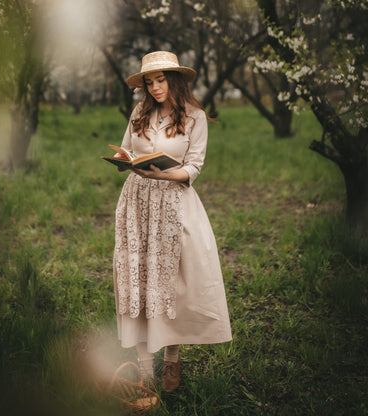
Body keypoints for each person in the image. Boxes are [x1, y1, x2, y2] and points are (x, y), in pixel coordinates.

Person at [112, 51, 232, 392]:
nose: (154, 88)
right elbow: (125, 150)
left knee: (171, 282)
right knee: (138, 278)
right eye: (149, 82)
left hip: (173, 203)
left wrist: (164, 175)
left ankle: (172, 362)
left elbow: (194, 166)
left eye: (160, 80)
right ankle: (145, 370)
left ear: (175, 80)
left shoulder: (194, 116)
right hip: (136, 202)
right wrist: (125, 161)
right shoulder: (139, 112)